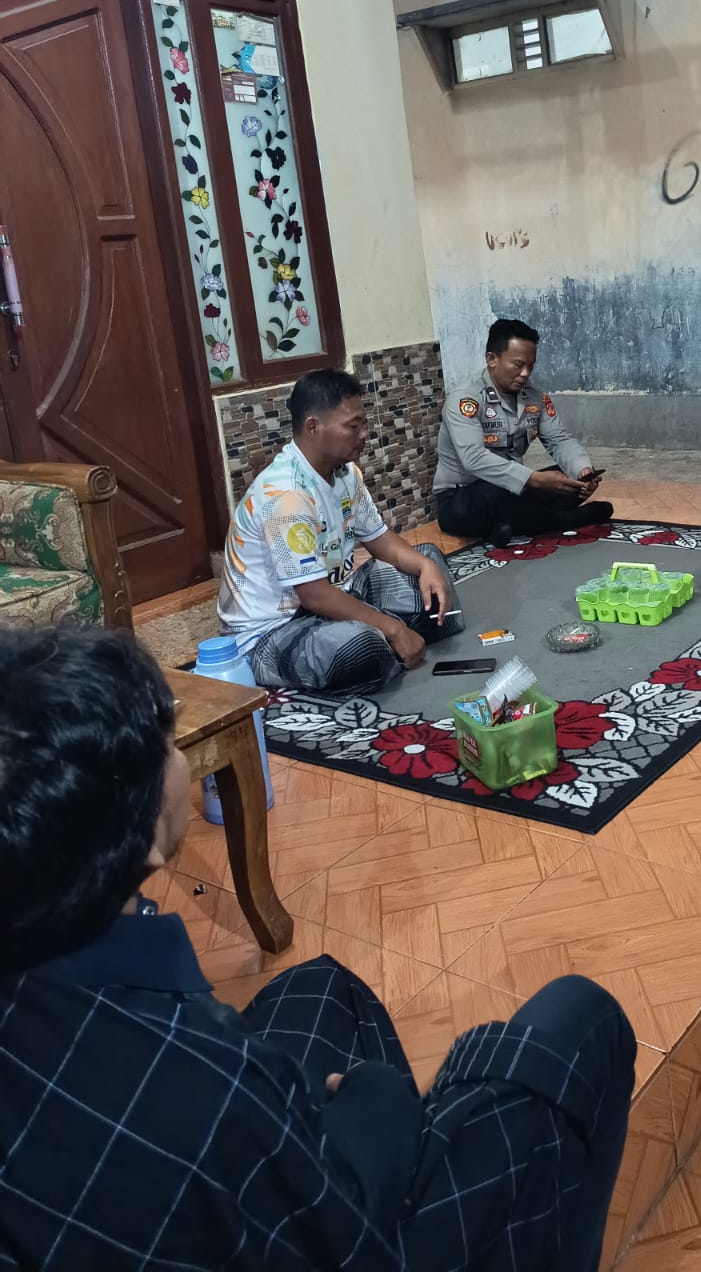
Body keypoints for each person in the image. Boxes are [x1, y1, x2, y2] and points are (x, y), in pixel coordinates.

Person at [0, 627, 637, 1272]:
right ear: (137, 829)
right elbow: (344, 1219)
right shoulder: (204, 1078)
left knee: (323, 986)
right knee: (583, 1019)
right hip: (347, 1229)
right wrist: (373, 1095)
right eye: (167, 743)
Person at [218, 368, 464, 696]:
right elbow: (313, 595)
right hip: (274, 632)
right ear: (313, 427)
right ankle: (384, 641)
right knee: (357, 646)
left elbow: (379, 539)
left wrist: (424, 567)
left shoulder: (345, 473)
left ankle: (385, 641)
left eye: (364, 424)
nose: (364, 434)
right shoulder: (285, 495)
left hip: (336, 598)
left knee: (428, 560)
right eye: (353, 426)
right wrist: (391, 627)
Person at [435, 318, 613, 546]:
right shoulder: (465, 400)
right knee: (497, 495)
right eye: (518, 365)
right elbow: (473, 458)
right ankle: (567, 520)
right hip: (464, 497)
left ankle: (505, 527)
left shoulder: (534, 398)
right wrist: (532, 479)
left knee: (567, 478)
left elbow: (559, 439)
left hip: (513, 489)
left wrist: (582, 471)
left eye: (531, 365)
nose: (525, 373)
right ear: (492, 359)